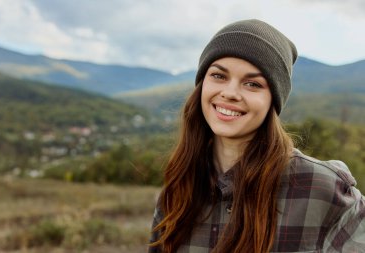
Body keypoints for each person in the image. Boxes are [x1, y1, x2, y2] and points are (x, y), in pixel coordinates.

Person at [148, 19, 365, 253]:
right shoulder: (177, 193)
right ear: (202, 84)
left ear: (274, 99)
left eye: (252, 84)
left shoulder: (322, 191)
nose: (230, 93)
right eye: (219, 76)